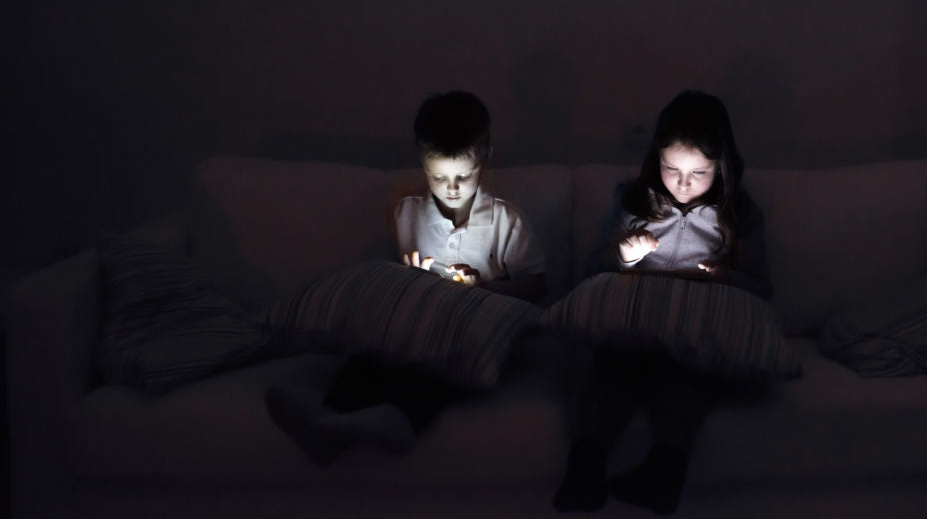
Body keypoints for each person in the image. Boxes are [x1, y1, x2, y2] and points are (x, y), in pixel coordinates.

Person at [265, 90, 546, 464]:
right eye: (438, 176)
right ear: (421, 161)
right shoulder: (405, 215)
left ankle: (401, 419)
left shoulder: (505, 221)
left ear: (486, 156)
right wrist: (412, 278)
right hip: (414, 329)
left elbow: (538, 284)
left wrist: (482, 286)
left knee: (439, 362)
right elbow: (382, 279)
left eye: (464, 176)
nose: (452, 188)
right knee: (374, 355)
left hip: (470, 335)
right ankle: (329, 421)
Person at [553, 90, 770, 515]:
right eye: (671, 169)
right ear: (656, 160)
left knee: (685, 378)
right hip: (631, 326)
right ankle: (584, 468)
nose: (683, 184)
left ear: (721, 167)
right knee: (608, 370)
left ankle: (664, 472)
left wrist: (725, 277)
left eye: (699, 173)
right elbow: (592, 270)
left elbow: (762, 287)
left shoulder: (739, 214)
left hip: (692, 331)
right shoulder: (633, 201)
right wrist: (623, 256)